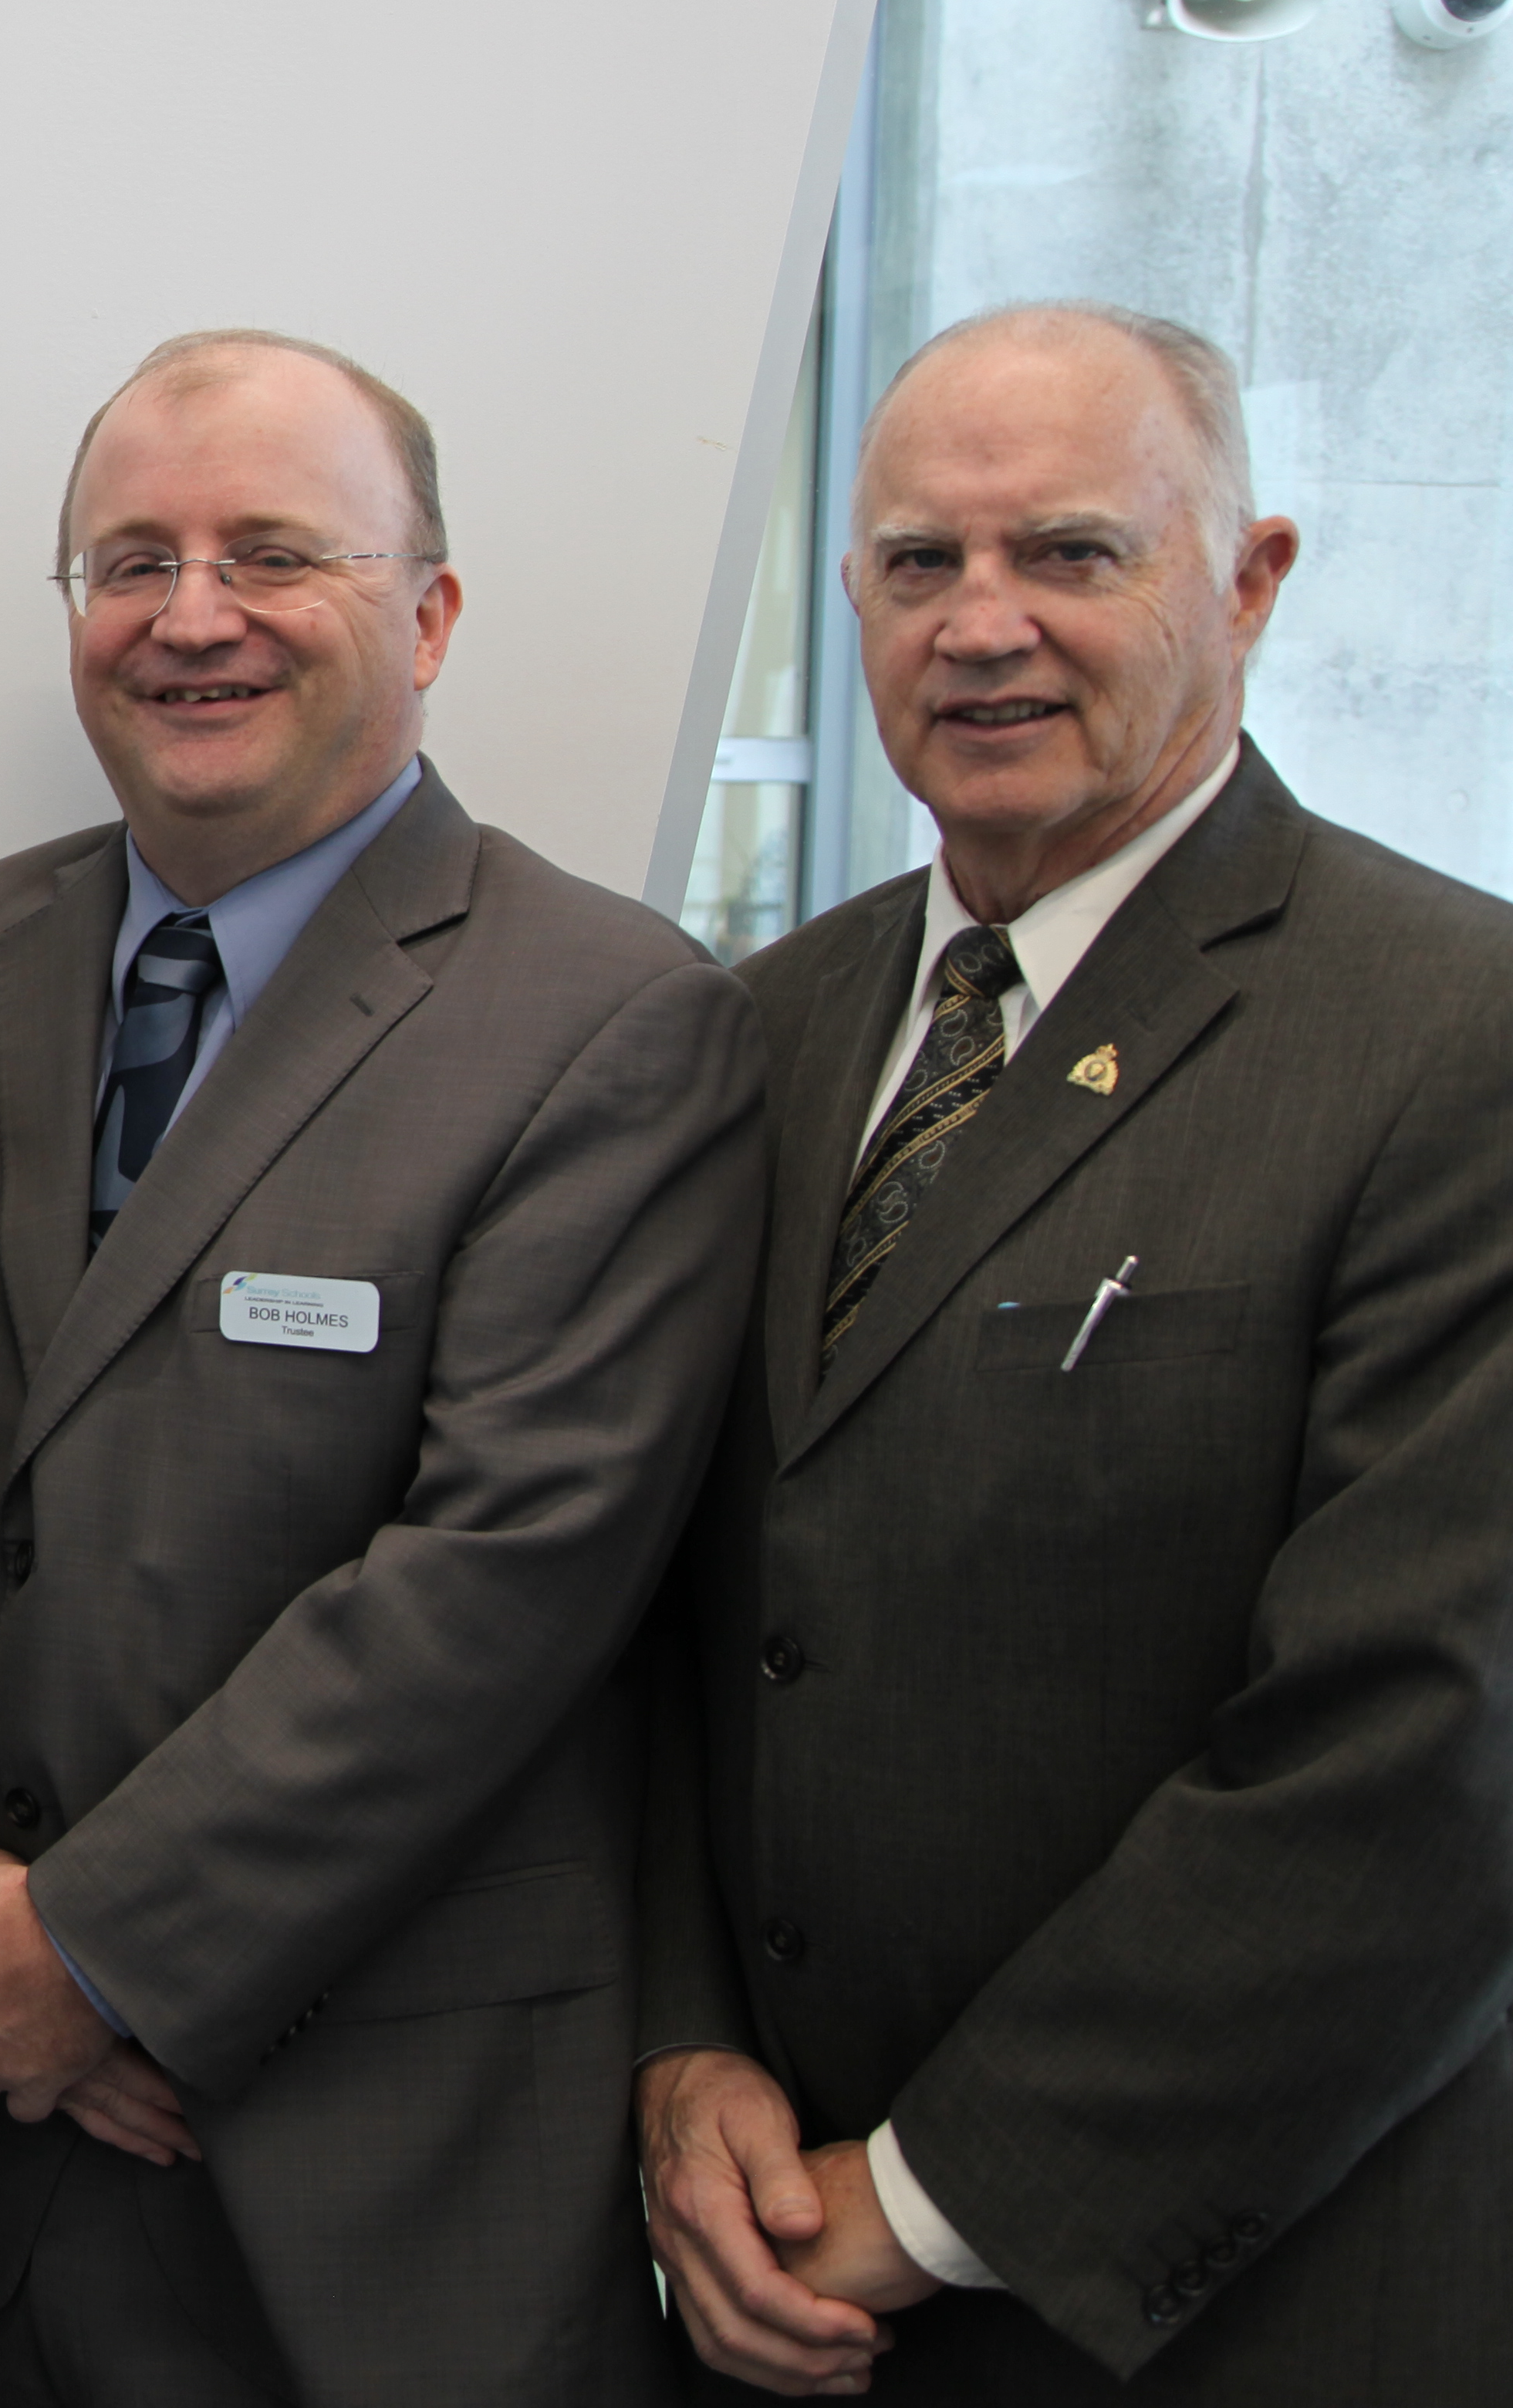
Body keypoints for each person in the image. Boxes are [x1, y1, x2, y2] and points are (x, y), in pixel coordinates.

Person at [0, 329, 765, 2406]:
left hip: (370, 2181)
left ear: (429, 612)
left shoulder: (614, 1020)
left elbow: (504, 1578)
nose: (190, 617)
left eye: (274, 552)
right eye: (127, 560)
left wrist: (90, 1949)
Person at [634, 304, 1513, 2404]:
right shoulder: (751, 1034)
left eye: (1072, 554)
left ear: (1252, 577)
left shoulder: (1453, 1038)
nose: (982, 624)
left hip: (1237, 2293)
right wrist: (684, 2059)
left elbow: (1428, 1755)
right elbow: (669, 1629)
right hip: (764, 2267)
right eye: (920, 564)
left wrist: (933, 2199)